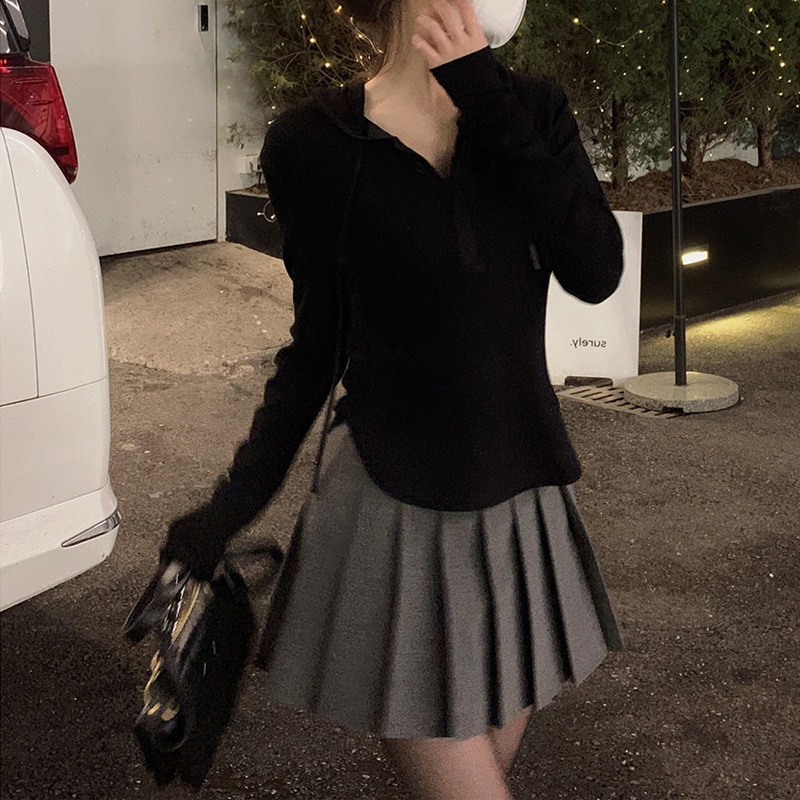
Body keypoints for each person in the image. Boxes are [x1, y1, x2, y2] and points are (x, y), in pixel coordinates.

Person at [160, 0, 625, 797]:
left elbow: (596, 269)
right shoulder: (312, 143)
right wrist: (231, 505)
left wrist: (484, 95)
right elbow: (316, 348)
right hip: (391, 502)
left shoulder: (531, 112)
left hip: (523, 499)